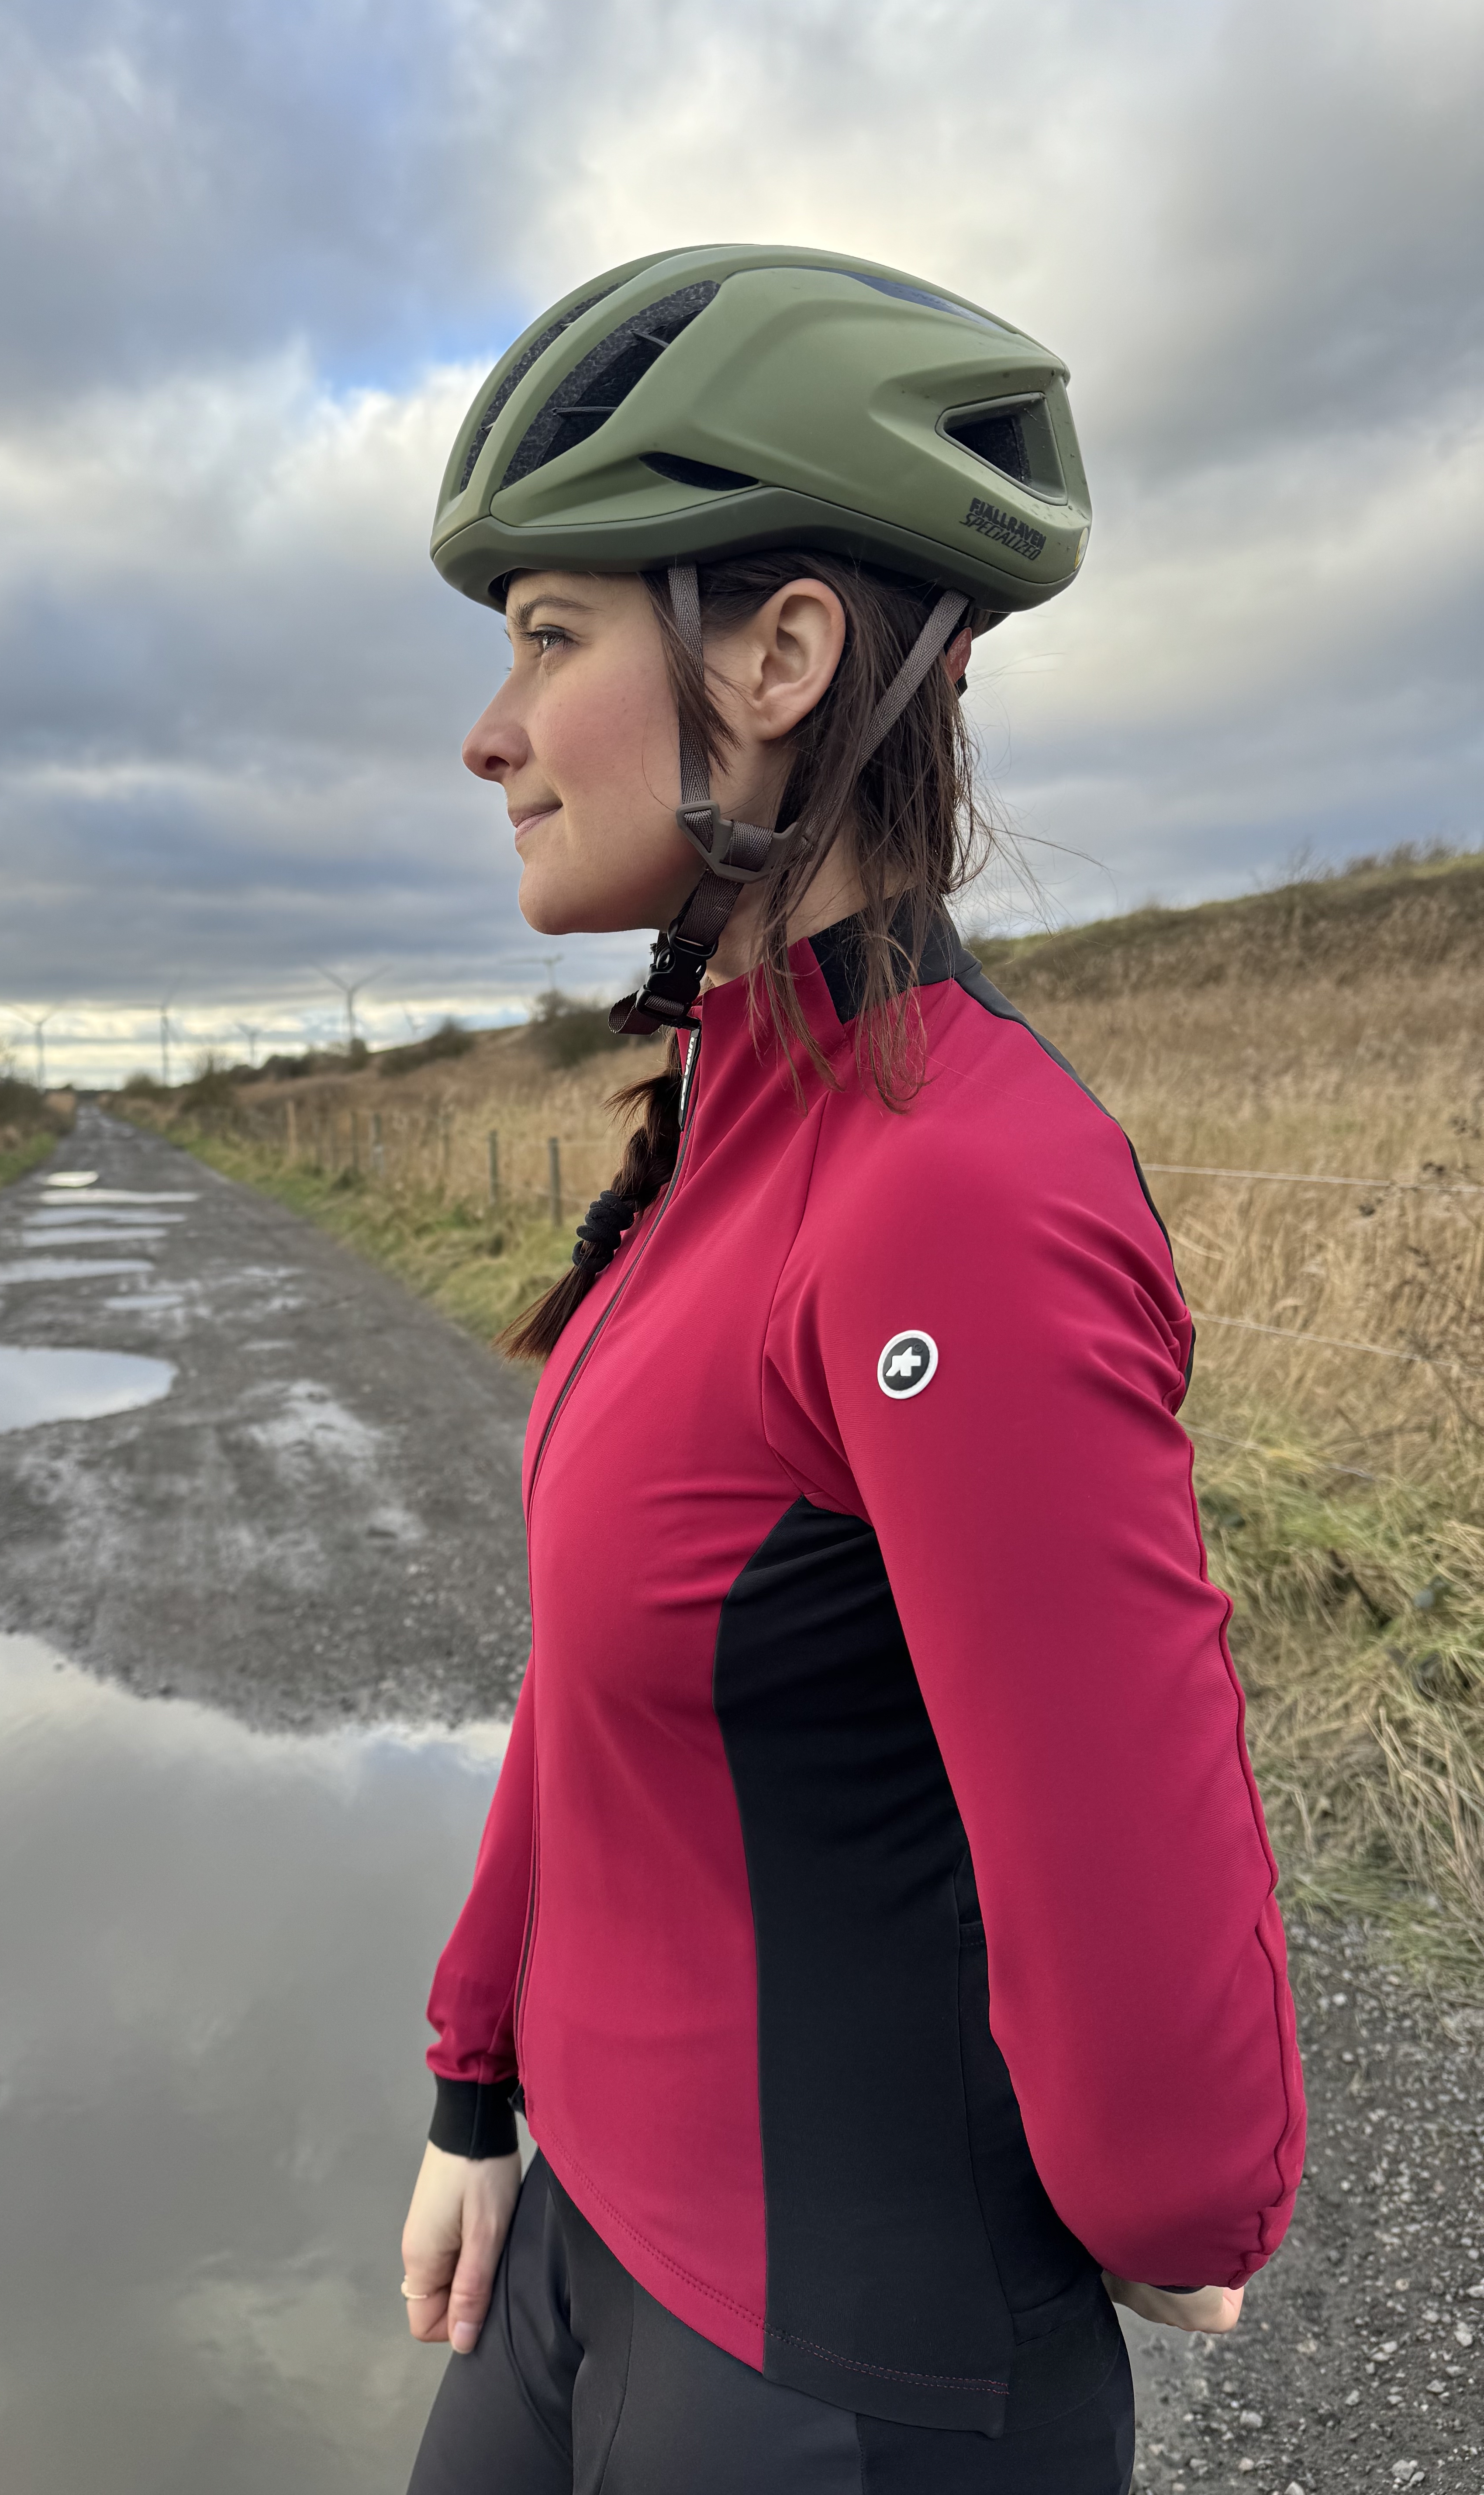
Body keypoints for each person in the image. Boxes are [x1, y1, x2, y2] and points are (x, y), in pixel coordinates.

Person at [397, 245, 1305, 2494]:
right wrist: (478, 2085)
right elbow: (603, 1671)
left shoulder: (955, 1193)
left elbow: (1131, 1855)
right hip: (585, 2265)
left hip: (849, 2378)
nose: (489, 734)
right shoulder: (737, 1120)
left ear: (783, 654)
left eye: (546, 636)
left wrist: (1179, 2190)